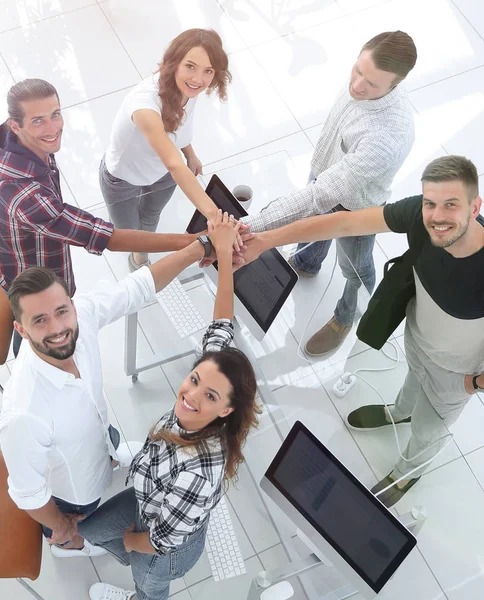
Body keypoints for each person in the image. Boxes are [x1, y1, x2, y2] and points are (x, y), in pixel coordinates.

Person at [0, 210, 249, 560]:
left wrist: (203, 247)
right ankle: (74, 547)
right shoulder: (23, 413)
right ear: (22, 331)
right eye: (40, 320)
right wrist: (62, 526)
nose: (57, 327)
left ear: (72, 304)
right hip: (76, 490)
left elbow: (138, 287)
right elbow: (28, 493)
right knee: (82, 527)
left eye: (61, 311)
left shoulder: (80, 317)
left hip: (101, 444)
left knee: (110, 449)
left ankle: (111, 462)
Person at [241, 155, 484, 507]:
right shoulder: (419, 215)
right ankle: (399, 412)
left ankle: (408, 469)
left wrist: (473, 384)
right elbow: (342, 223)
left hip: (458, 371)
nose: (438, 218)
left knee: (429, 428)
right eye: (431, 203)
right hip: (419, 335)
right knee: (413, 380)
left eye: (452, 205)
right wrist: (266, 240)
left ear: (475, 206)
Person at [73, 211, 260, 600]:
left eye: (208, 396)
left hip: (164, 550)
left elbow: (158, 543)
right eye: (194, 380)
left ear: (226, 409)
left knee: (149, 585)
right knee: (90, 530)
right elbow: (222, 321)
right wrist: (224, 256)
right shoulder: (215, 374)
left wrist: (129, 543)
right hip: (149, 497)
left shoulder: (199, 472)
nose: (191, 395)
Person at [0, 78, 241, 356]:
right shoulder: (26, 197)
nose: (53, 128)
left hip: (18, 261)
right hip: (35, 287)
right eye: (38, 121)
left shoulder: (19, 142)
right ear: (16, 125)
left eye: (55, 114)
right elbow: (107, 237)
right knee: (39, 344)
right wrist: (197, 241)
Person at [242, 31, 417, 356]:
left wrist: (254, 225)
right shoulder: (364, 85)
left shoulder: (386, 138)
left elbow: (319, 196)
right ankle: (307, 262)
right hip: (327, 171)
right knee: (313, 221)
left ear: (394, 85)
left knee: (356, 266)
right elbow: (322, 187)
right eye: (358, 70)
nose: (357, 86)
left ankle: (346, 315)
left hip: (356, 207)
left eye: (372, 84)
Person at [100, 28, 231, 271]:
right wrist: (214, 216)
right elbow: (172, 163)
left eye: (208, 71)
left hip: (162, 173)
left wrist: (190, 153)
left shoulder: (189, 89)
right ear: (174, 62)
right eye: (190, 66)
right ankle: (137, 255)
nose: (198, 79)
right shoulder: (144, 105)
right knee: (125, 232)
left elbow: (178, 128)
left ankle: (141, 257)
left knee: (150, 217)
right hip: (123, 178)